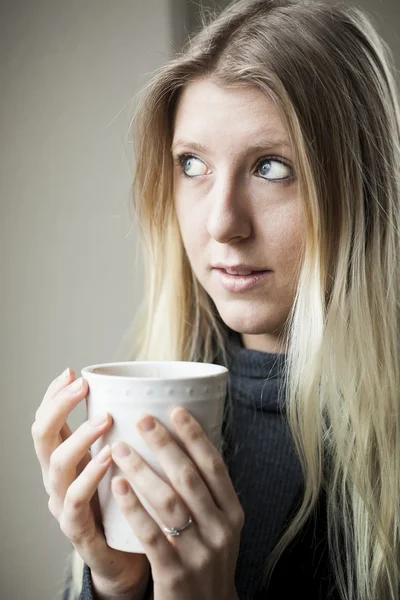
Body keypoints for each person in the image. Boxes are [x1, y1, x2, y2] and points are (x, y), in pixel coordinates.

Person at [31, 0, 400, 598]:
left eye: (272, 168)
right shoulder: (159, 403)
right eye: (193, 164)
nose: (222, 223)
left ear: (361, 188)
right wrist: (113, 585)